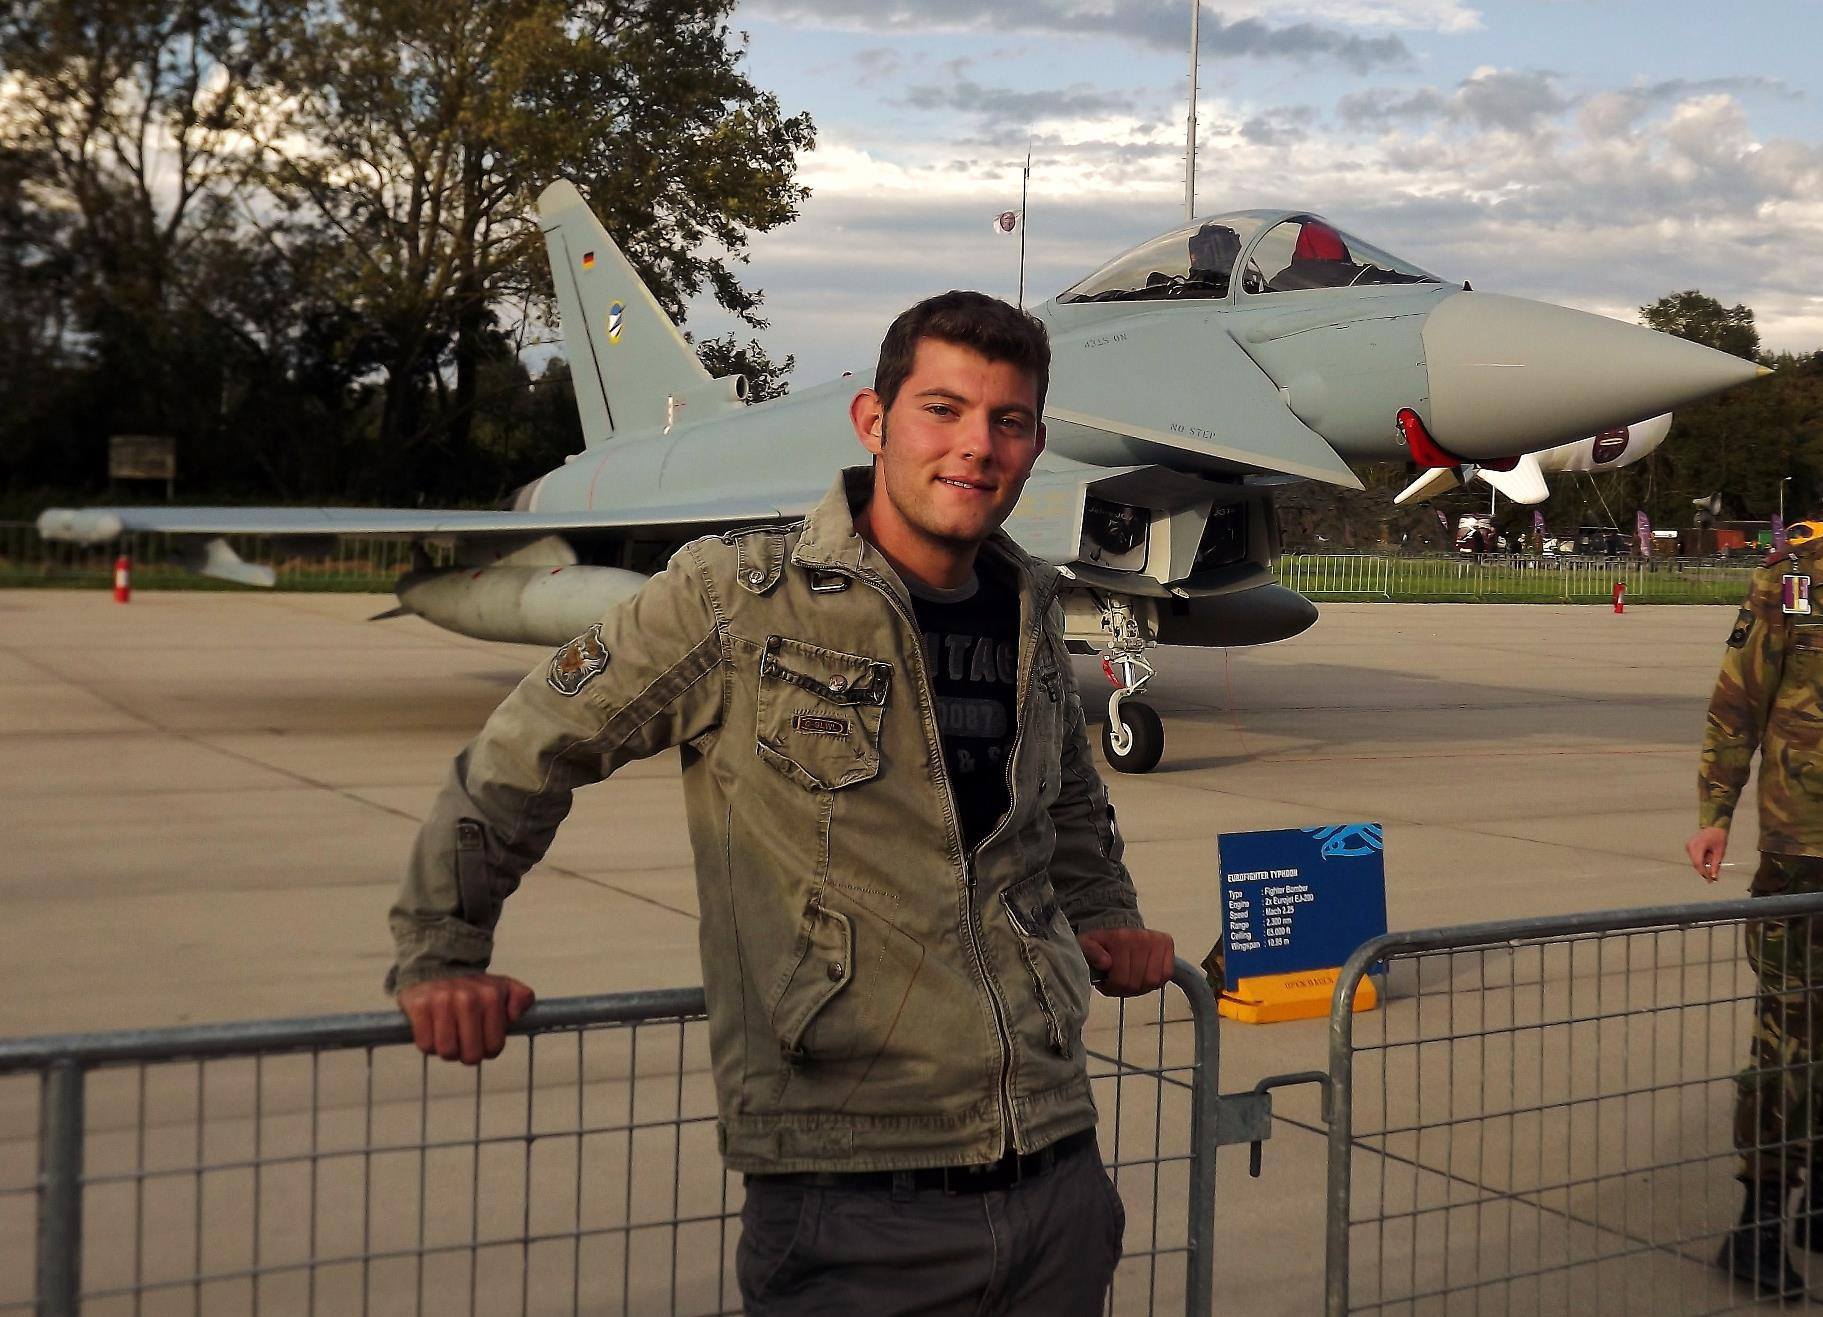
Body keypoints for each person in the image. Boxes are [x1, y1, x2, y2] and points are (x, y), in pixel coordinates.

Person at [385, 290, 1176, 1315]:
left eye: (1009, 420)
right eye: (942, 410)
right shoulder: (736, 598)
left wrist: (1106, 912)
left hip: (1056, 1174)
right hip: (854, 1197)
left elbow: (1065, 800)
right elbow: (529, 747)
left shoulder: (1027, 602)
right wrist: (444, 952)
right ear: (872, 420)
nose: (977, 446)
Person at [1687, 517, 1823, 1298]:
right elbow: (1738, 696)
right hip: (1801, 844)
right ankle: (1759, 1223)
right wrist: (1714, 811)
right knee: (1789, 1032)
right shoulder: (1797, 575)